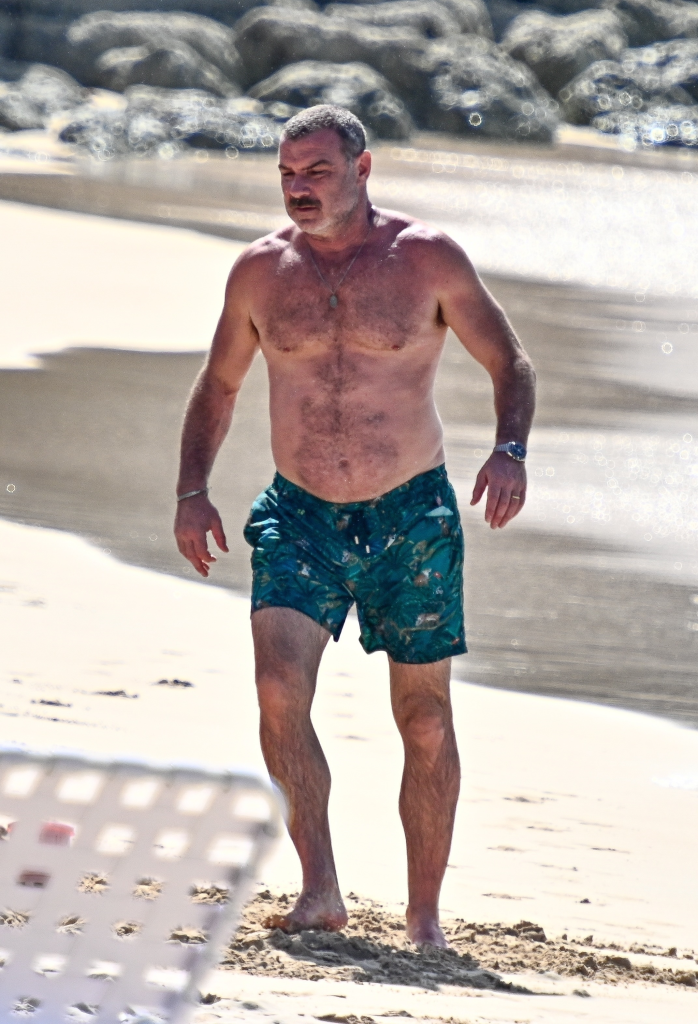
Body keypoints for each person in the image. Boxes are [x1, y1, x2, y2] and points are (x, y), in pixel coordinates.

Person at [174, 105, 535, 947]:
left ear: (362, 169)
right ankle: (321, 890)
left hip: (411, 514)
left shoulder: (427, 258)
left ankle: (424, 915)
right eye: (287, 174)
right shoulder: (260, 272)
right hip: (298, 514)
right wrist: (192, 490)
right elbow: (219, 384)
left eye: (317, 172)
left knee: (425, 718)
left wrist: (510, 449)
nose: (298, 188)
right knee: (277, 689)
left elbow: (509, 360)